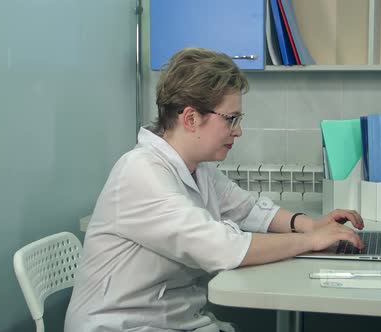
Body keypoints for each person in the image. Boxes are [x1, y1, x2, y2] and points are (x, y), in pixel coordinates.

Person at [64, 47, 364, 332]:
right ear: (191, 118)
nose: (238, 130)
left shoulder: (197, 168)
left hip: (173, 320)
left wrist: (310, 224)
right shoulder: (141, 173)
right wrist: (309, 241)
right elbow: (223, 248)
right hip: (121, 326)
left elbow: (248, 209)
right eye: (231, 118)